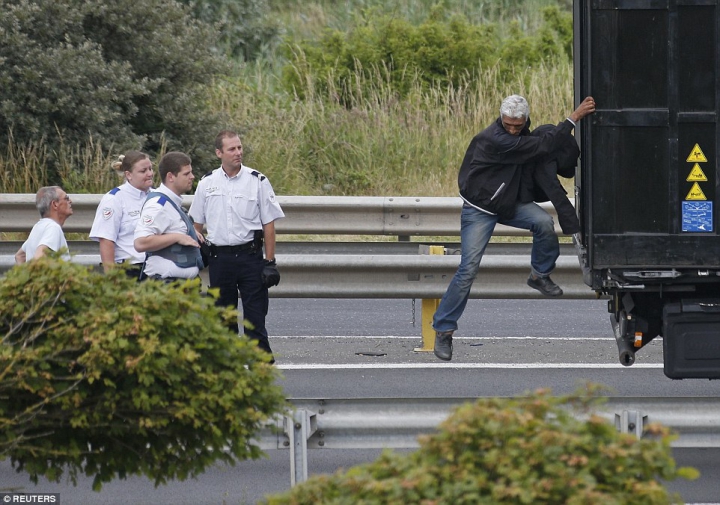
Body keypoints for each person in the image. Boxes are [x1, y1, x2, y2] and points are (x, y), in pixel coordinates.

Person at [432, 94, 596, 361]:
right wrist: (573, 118)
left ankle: (539, 274)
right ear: (501, 118)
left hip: (509, 203)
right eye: (508, 124)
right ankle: (444, 330)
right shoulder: (495, 139)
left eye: (517, 126)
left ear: (525, 120)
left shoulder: (520, 136)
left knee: (543, 222)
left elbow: (542, 144)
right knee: (468, 269)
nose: (512, 129)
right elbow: (543, 146)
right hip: (480, 209)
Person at [189, 130, 284, 361]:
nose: (238, 153)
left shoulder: (257, 181)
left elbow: (268, 223)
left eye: (240, 147)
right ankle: (230, 379)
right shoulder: (207, 183)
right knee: (223, 321)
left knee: (255, 323)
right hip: (220, 260)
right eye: (232, 149)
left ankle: (260, 379)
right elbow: (195, 225)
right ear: (219, 153)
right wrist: (194, 260)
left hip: (250, 258)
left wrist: (270, 262)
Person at [134, 151, 202, 282]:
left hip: (180, 285)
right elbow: (140, 242)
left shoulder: (173, 204)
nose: (192, 177)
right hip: (166, 286)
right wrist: (177, 237)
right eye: (186, 174)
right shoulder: (158, 205)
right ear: (171, 177)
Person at [89, 151, 154, 278]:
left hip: (157, 269)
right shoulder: (114, 199)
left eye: (151, 169)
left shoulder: (158, 197)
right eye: (143, 171)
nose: (150, 174)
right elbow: (106, 240)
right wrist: (112, 278)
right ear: (128, 175)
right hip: (130, 270)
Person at [15, 186, 73, 264]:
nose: (70, 201)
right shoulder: (53, 228)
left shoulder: (38, 227)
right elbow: (39, 257)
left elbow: (20, 256)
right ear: (55, 204)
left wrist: (26, 275)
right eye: (66, 198)